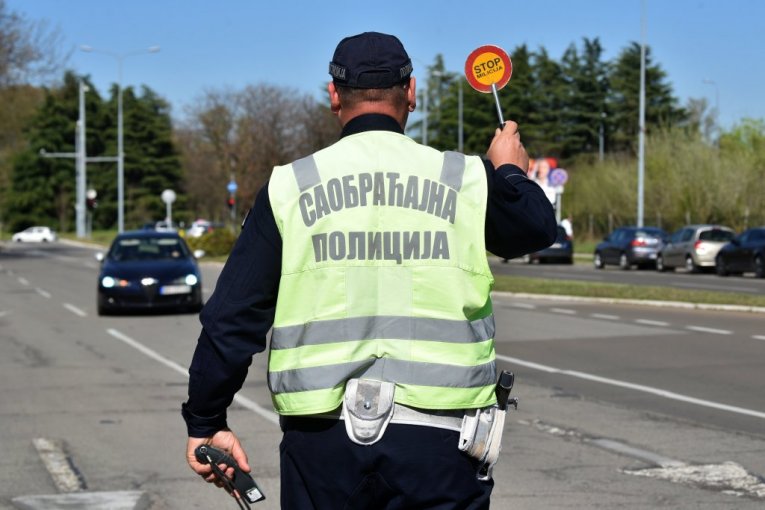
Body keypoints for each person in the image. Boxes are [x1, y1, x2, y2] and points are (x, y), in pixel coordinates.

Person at [183, 31, 557, 509]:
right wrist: (508, 171)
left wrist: (205, 421)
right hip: (440, 445)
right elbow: (536, 228)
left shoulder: (291, 186)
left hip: (321, 446)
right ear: (413, 92)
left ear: (334, 95)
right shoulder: (464, 178)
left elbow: (231, 317)